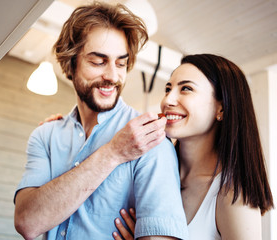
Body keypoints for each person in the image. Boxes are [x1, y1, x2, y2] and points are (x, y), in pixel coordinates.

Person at [13, 2, 188, 240]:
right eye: (98, 62)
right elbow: (27, 222)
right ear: (70, 63)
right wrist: (113, 153)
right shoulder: (46, 135)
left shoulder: (151, 140)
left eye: (121, 63)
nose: (113, 76)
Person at [113, 53, 274, 240]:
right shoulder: (151, 172)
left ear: (221, 108)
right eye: (168, 89)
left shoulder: (232, 195)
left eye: (186, 89)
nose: (167, 101)